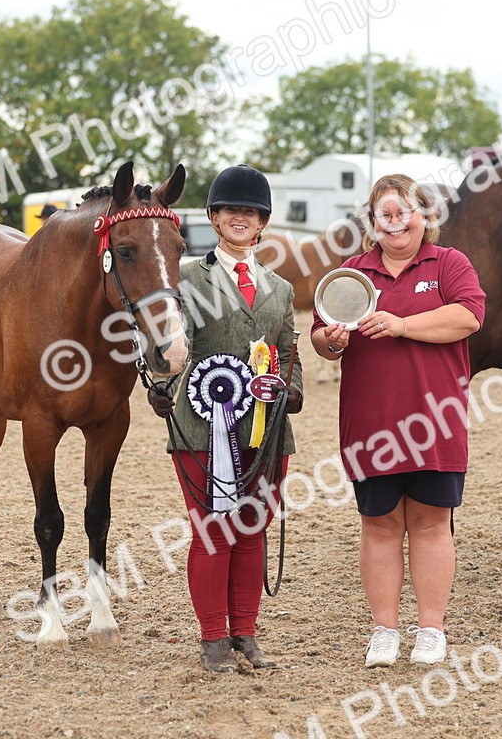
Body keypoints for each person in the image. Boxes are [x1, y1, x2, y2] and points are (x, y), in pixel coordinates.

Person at [310, 174, 485, 668]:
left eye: (404, 212)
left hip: (435, 423)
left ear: (423, 215)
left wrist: (402, 324)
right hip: (371, 424)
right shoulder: (352, 272)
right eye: (384, 214)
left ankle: (431, 629)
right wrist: (332, 342)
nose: (395, 222)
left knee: (431, 523)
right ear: (371, 222)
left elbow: (469, 317)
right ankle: (384, 631)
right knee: (380, 525)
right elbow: (320, 336)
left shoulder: (449, 263)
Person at [146, 164, 303, 674]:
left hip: (266, 430)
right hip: (202, 428)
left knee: (252, 530)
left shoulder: (280, 288)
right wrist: (162, 387)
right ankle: (213, 638)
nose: (241, 217)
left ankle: (245, 634)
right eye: (231, 210)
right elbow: (170, 346)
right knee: (213, 530)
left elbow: (288, 353)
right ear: (214, 218)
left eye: (250, 212)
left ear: (263, 222)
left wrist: (292, 390)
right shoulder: (187, 279)